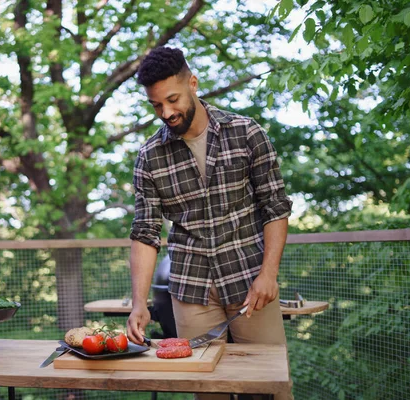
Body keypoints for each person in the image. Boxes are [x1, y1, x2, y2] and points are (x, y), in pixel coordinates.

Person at [126, 47, 293, 400]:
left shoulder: (246, 133)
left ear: (193, 83)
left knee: (265, 387)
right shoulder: (149, 157)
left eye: (173, 100)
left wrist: (269, 274)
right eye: (157, 105)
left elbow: (275, 207)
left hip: (250, 282)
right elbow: (145, 233)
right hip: (191, 289)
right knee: (207, 391)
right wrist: (139, 302)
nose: (166, 113)